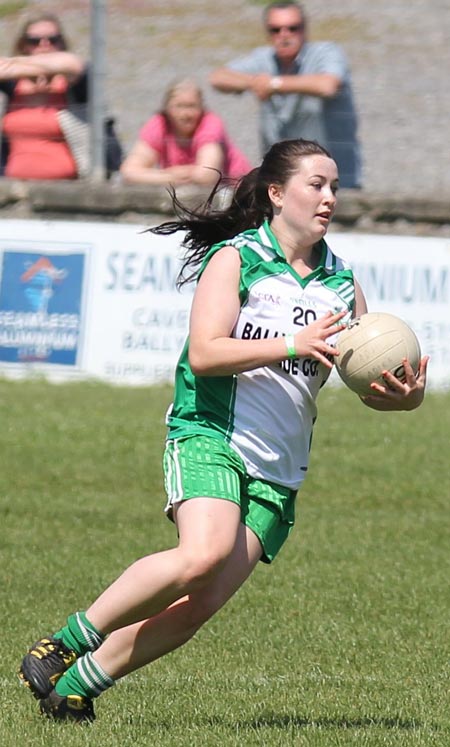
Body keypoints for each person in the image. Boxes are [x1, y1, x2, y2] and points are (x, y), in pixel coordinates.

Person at [18, 139, 428, 723]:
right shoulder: (237, 258)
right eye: (317, 185)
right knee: (201, 555)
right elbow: (205, 353)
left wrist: (403, 399)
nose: (330, 198)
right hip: (211, 433)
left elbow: (368, 383)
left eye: (335, 187)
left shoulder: (342, 282)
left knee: (199, 604)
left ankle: (79, 685)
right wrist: (290, 343)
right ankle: (65, 641)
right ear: (277, 193)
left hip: (278, 470)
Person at [209, 2, 362, 189]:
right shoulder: (264, 59)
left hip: (335, 183)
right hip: (283, 185)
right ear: (268, 33)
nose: (284, 35)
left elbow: (327, 85)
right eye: (276, 30)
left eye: (292, 28)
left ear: (304, 29)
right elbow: (218, 78)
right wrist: (254, 83)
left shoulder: (326, 53)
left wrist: (273, 84)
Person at [0, 12, 122, 179]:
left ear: (62, 43)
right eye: (34, 41)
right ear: (24, 45)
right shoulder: (12, 86)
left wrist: (12, 66)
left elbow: (73, 64)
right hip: (14, 189)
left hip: (69, 191)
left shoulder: (73, 85)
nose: (44, 45)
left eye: (52, 39)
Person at [120, 78, 251, 186]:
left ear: (202, 108)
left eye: (191, 106)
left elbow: (207, 175)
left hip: (235, 191)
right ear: (167, 109)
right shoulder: (159, 123)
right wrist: (173, 175)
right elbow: (129, 172)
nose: (186, 114)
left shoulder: (210, 124)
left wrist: (162, 175)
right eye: (179, 106)